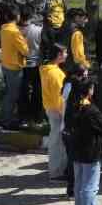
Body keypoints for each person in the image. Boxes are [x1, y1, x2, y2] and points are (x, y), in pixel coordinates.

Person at [65, 78, 102, 205]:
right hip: (91, 152)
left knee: (79, 185)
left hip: (77, 151)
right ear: (89, 91)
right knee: (90, 186)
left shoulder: (72, 106)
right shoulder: (91, 110)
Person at [41, 45, 70, 182]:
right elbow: (60, 97)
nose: (67, 54)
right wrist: (66, 114)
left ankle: (56, 170)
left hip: (51, 108)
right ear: (58, 55)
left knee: (56, 140)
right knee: (58, 142)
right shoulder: (55, 74)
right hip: (58, 111)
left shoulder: (48, 69)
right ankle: (57, 173)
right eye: (64, 52)